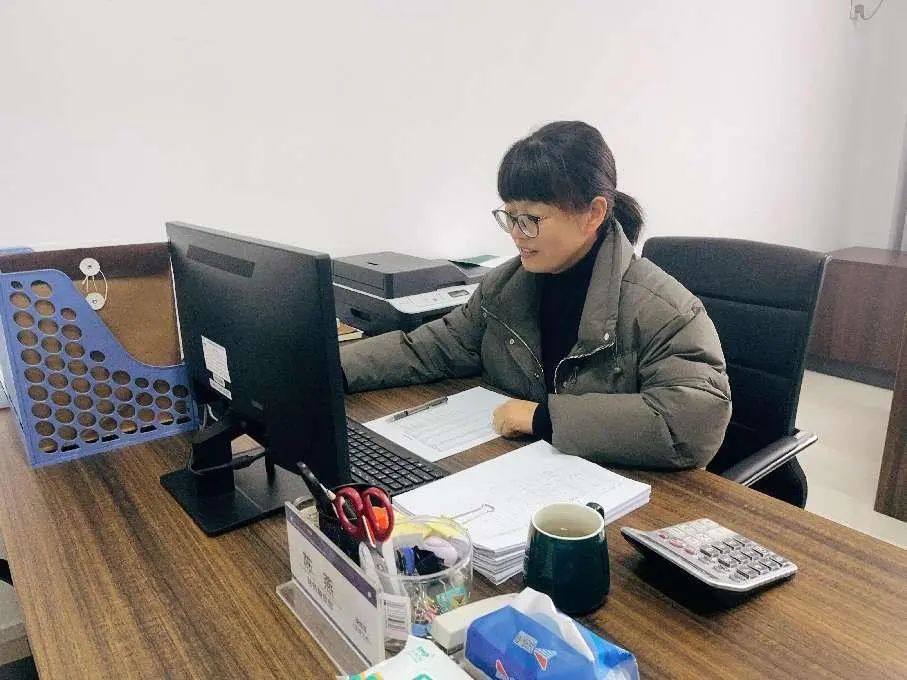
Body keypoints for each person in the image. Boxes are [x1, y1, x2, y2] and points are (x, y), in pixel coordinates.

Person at [341, 121, 731, 469]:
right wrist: (327, 367)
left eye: (530, 219)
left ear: (593, 213)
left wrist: (543, 419)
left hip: (624, 492)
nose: (516, 234)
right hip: (523, 471)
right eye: (509, 217)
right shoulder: (504, 287)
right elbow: (429, 349)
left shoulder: (666, 310)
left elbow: (692, 422)